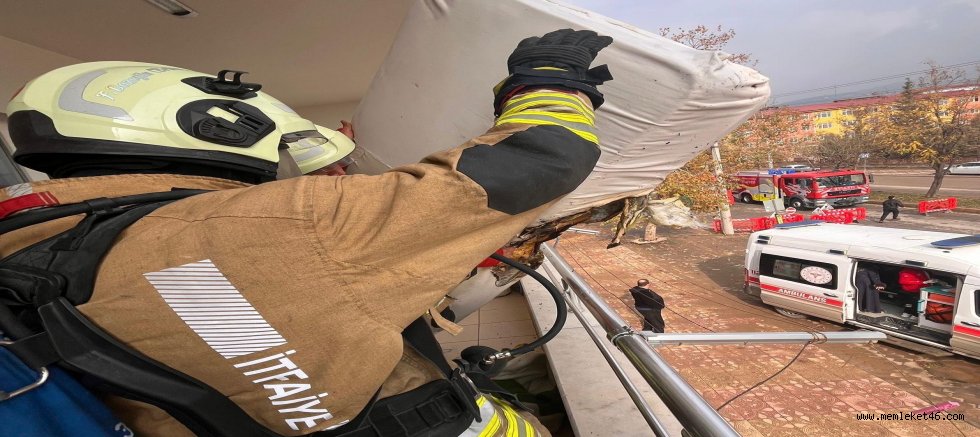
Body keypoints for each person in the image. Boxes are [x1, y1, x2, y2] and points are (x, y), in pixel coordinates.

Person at [0, 28, 614, 437]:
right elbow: (540, 161)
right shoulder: (280, 226)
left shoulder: (34, 239)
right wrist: (550, 80)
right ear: (220, 125)